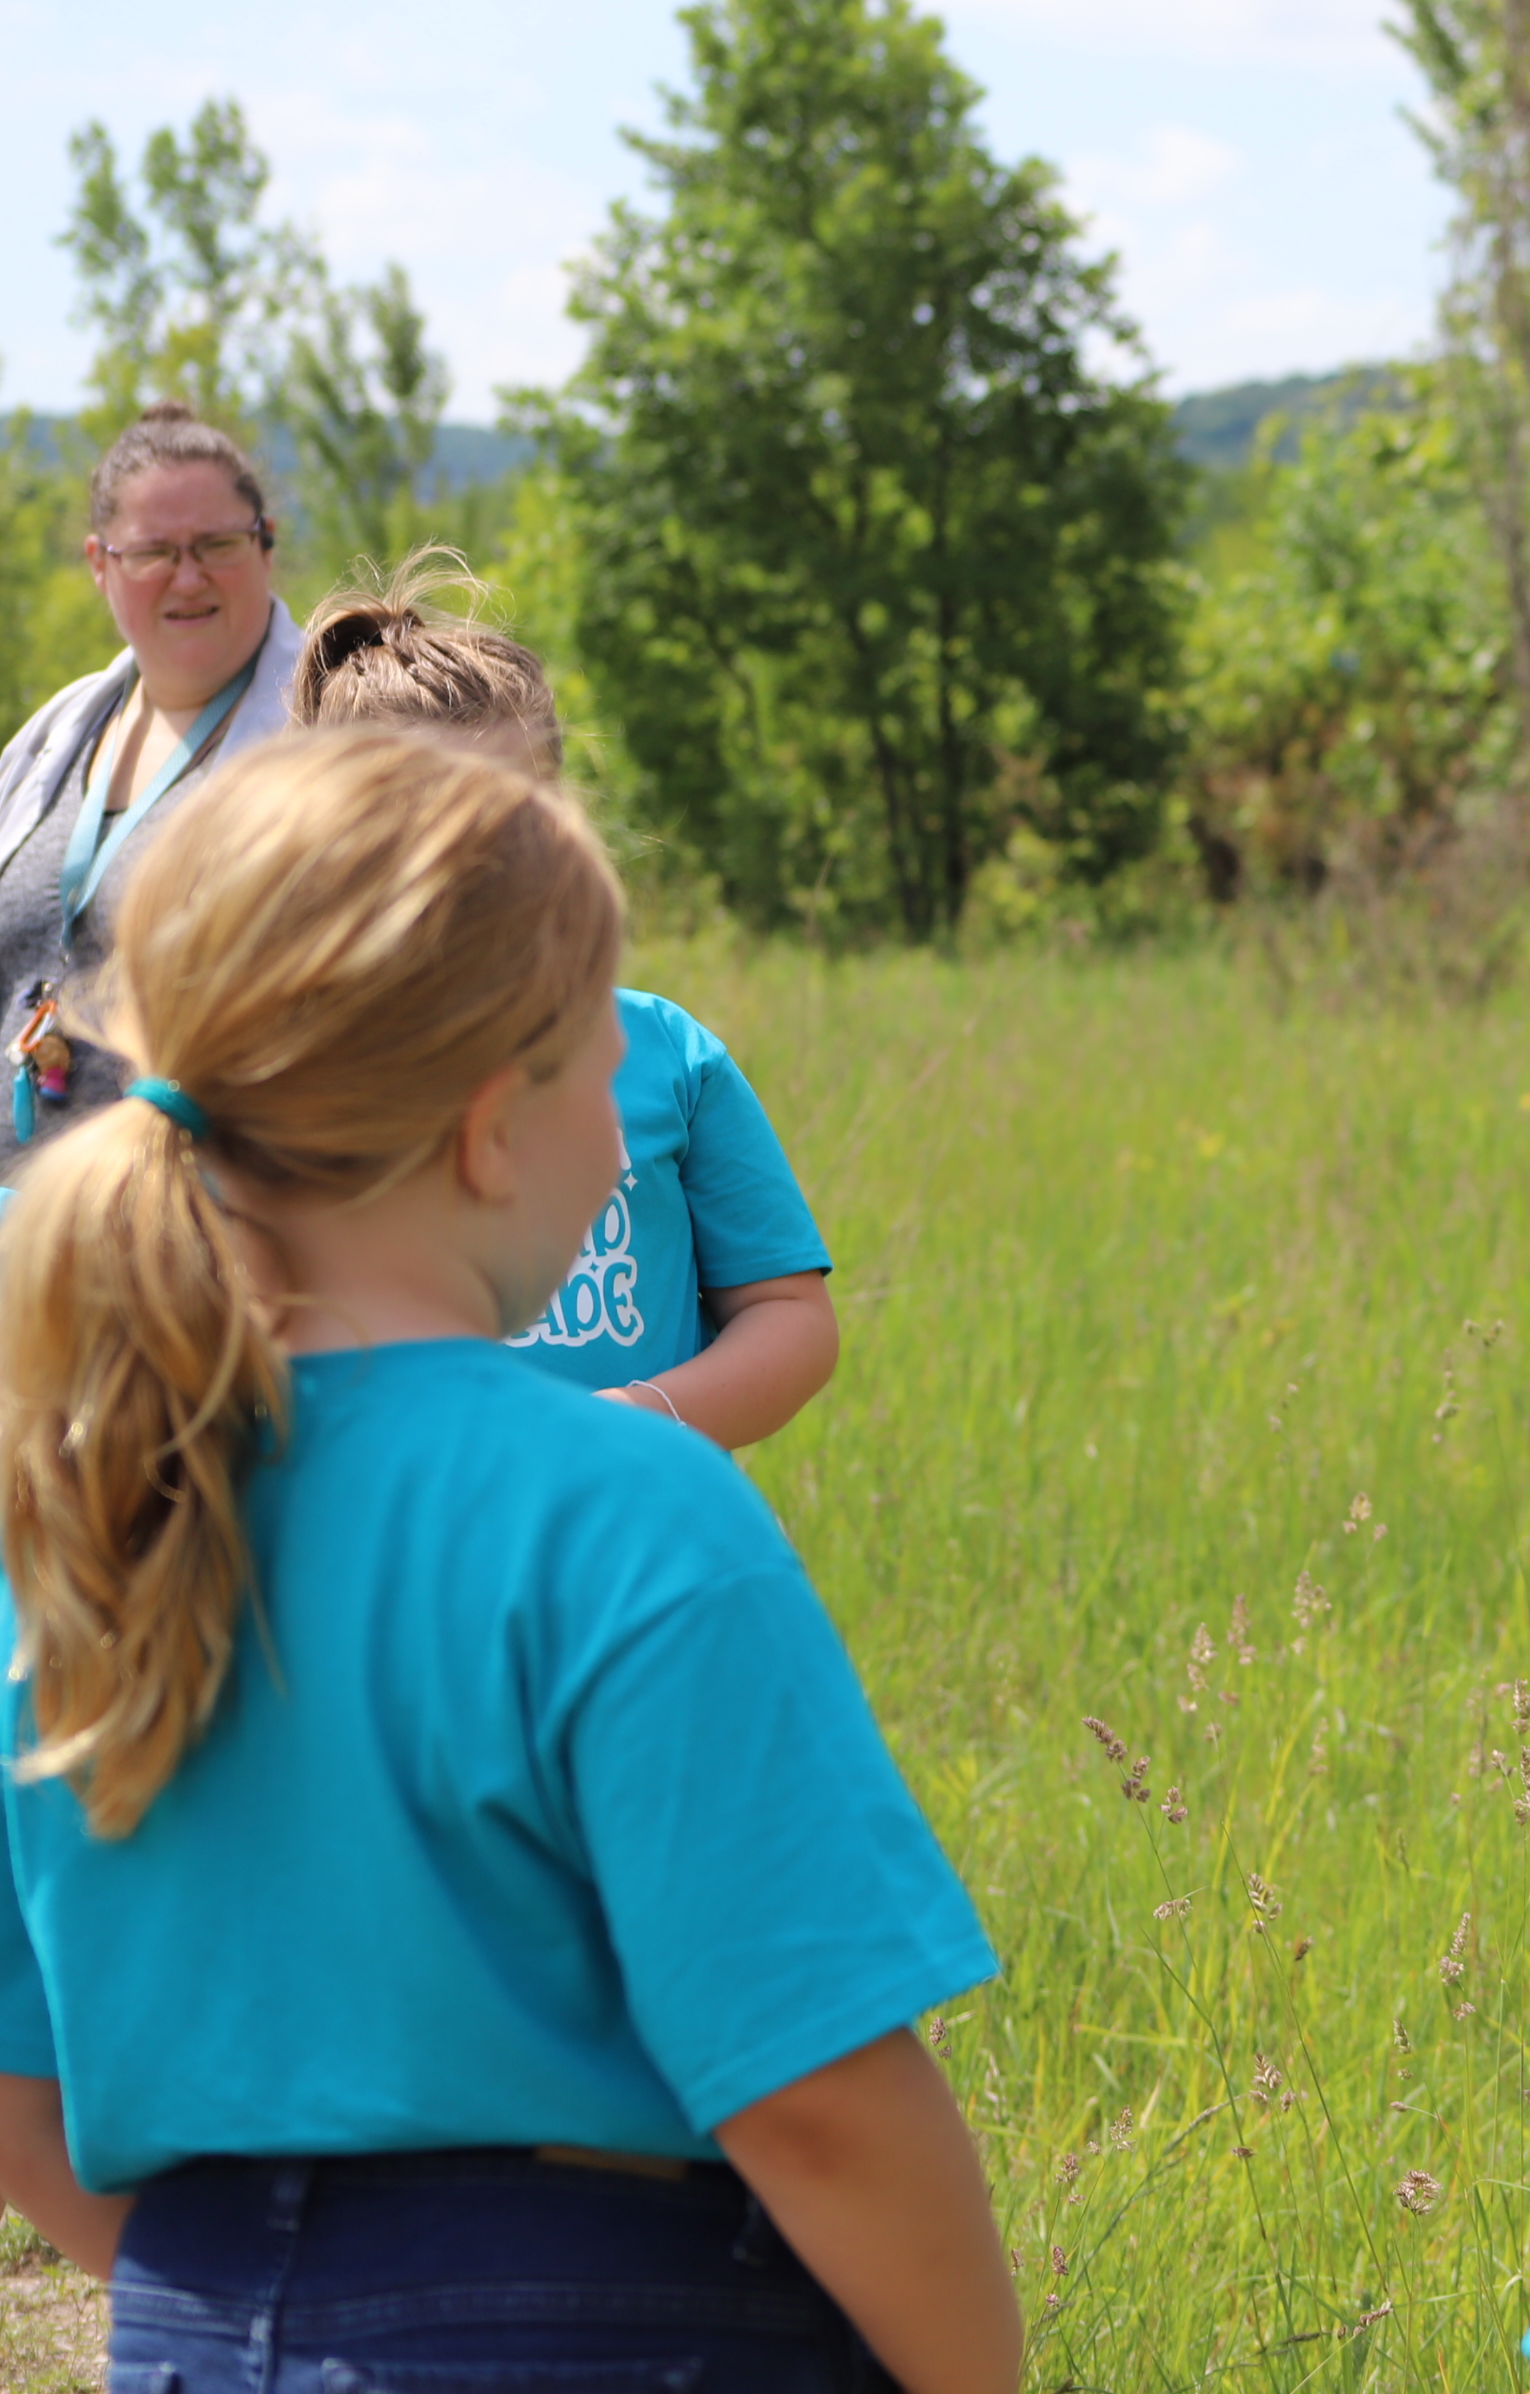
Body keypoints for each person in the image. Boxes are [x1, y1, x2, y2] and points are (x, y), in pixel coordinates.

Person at [0, 730, 1015, 2393]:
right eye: (604, 1057)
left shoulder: (67, 1508)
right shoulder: (630, 1510)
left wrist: (296, 2299)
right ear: (490, 1132)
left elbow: (20, 2102)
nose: (629, 1117)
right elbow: (821, 2099)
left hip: (199, 2330)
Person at [292, 556, 840, 1446]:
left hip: (632, 1557)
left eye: (515, 808)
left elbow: (791, 1316)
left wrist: (637, 1427)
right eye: (422, 814)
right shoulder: (279, 1076)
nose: (479, 851)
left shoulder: (660, 1050)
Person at [0, 405, 307, 1159]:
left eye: (217, 544)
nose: (189, 575)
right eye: (153, 552)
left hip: (190, 1229)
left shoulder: (321, 737)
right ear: (101, 563)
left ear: (266, 545)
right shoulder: (56, 733)